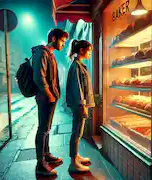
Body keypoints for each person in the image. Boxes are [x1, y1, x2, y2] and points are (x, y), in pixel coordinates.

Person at [32, 28, 69, 176]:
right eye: (62, 41)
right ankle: (40, 164)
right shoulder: (42, 52)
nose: (63, 44)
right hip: (45, 98)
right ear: (54, 38)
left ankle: (46, 155)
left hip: (50, 97)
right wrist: (49, 94)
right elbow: (39, 77)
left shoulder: (50, 54)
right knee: (42, 129)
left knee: (46, 128)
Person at [66, 40, 95, 173]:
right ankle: (73, 163)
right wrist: (83, 105)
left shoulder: (79, 65)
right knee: (77, 132)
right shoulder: (76, 67)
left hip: (80, 104)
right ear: (82, 50)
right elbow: (77, 88)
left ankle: (76, 156)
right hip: (79, 104)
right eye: (88, 50)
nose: (90, 53)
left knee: (78, 132)